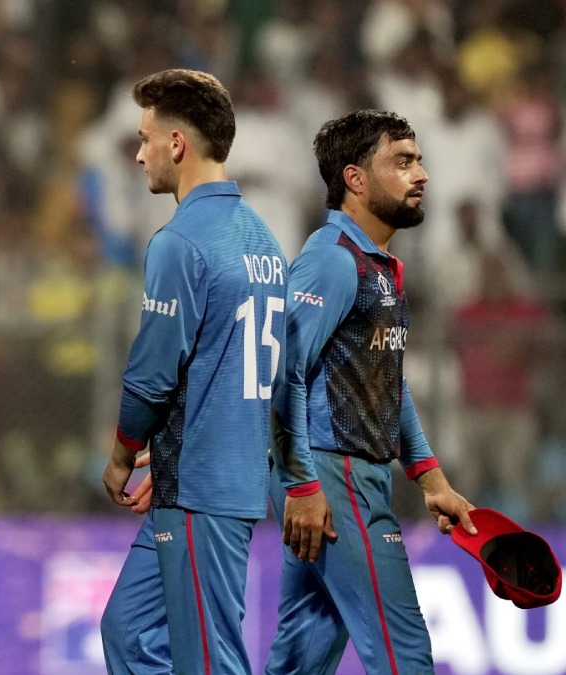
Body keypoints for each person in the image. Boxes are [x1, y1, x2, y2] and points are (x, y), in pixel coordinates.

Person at [267, 109, 476, 674]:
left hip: (348, 476)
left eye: (419, 161)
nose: (421, 174)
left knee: (301, 660)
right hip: (334, 477)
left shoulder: (378, 267)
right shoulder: (332, 262)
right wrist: (303, 484)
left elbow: (387, 381)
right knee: (404, 655)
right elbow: (279, 376)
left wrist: (431, 479)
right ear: (355, 178)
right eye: (402, 162)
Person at [100, 68, 287, 674]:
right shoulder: (263, 240)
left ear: (176, 144)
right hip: (208, 476)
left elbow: (151, 375)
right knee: (129, 631)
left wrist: (124, 452)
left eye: (145, 138)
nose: (139, 154)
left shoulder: (180, 241)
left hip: (202, 486)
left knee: (210, 660)